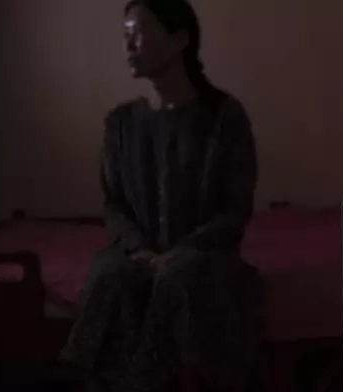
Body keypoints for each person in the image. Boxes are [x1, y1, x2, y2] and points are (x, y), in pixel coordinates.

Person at [59, 1, 261, 391]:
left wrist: (180, 252)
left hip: (204, 256)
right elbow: (113, 204)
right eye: (124, 37)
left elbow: (234, 209)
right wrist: (139, 250)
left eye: (139, 33)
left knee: (180, 277)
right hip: (135, 253)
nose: (129, 46)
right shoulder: (120, 124)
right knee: (111, 275)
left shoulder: (223, 116)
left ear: (179, 39)